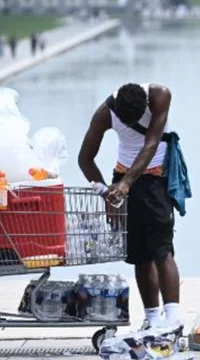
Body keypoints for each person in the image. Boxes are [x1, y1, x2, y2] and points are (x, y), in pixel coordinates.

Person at [78, 83, 182, 329]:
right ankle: (153, 319)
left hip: (156, 177)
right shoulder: (105, 113)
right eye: (123, 122)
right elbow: (85, 159)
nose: (127, 125)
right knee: (138, 255)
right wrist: (106, 193)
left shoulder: (160, 96)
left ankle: (174, 319)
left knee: (162, 250)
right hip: (123, 178)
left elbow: (151, 143)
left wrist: (125, 184)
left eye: (132, 120)